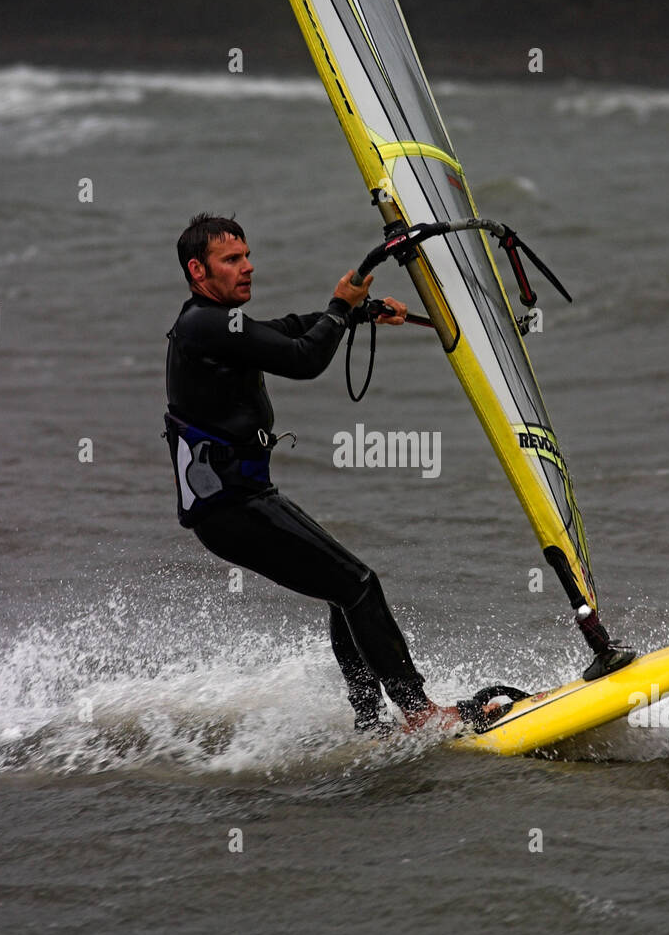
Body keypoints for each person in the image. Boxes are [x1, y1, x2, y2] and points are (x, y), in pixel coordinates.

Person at [163, 212, 467, 735]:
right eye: (231, 260)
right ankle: (419, 714)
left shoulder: (218, 323)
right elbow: (304, 360)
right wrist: (339, 308)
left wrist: (359, 311)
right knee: (360, 586)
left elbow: (286, 331)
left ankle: (371, 722)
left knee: (344, 589)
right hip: (230, 507)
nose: (247, 267)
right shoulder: (203, 325)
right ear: (198, 270)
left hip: (241, 499)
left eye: (247, 255)